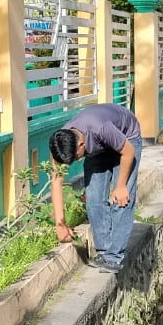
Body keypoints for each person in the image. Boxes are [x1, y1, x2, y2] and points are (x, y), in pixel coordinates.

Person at [48, 103, 143, 274]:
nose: (76, 161)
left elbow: (128, 152)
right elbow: (56, 181)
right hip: (98, 149)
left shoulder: (101, 128)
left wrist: (120, 186)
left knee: (122, 199)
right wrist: (60, 223)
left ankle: (114, 257)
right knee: (93, 198)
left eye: (76, 157)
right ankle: (104, 252)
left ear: (81, 145)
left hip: (127, 138)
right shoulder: (59, 144)